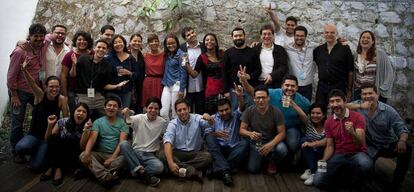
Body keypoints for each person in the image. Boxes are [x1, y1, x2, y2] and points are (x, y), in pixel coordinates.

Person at [347, 83, 411, 190]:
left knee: (407, 148)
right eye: (364, 94)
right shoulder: (358, 106)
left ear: (377, 94)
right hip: (369, 147)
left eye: (370, 93)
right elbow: (341, 106)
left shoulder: (388, 110)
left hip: (387, 144)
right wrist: (360, 106)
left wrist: (402, 141)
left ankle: (397, 182)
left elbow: (401, 126)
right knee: (362, 170)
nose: (367, 96)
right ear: (361, 96)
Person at [15, 57, 68, 171]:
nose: (54, 89)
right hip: (34, 134)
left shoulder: (62, 99)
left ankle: (39, 152)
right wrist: (24, 70)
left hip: (48, 137)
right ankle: (34, 148)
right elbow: (32, 83)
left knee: (36, 167)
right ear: (46, 87)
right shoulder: (40, 95)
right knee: (20, 147)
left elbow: (66, 118)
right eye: (51, 86)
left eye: (57, 87)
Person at [313, 89, 372, 190]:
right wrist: (323, 161)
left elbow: (360, 143)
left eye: (338, 100)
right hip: (339, 154)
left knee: (366, 164)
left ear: (345, 101)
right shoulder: (328, 121)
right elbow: (330, 146)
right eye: (332, 102)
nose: (335, 104)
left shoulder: (358, 117)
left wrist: (352, 132)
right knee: (318, 181)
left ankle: (359, 185)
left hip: (357, 153)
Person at [7, 24, 48, 162]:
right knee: (17, 121)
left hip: (36, 91)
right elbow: (11, 76)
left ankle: (32, 143)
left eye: (41, 36)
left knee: (40, 116)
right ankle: (16, 151)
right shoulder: (20, 51)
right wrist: (14, 95)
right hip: (20, 91)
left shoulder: (44, 44)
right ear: (29, 36)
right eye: (35, 36)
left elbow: (54, 36)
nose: (39, 39)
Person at [242, 73, 310, 157]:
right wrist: (244, 81)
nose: (289, 88)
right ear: (282, 86)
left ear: (297, 88)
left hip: (291, 127)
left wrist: (294, 105)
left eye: (293, 86)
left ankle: (292, 156)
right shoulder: (273, 93)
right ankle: (275, 157)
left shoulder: (303, 101)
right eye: (287, 85)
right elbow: (254, 93)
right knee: (280, 148)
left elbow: (306, 121)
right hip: (274, 127)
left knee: (293, 144)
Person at [71, 40, 128, 121]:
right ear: (94, 48)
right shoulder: (83, 59)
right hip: (83, 95)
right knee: (82, 117)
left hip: (98, 96)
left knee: (109, 116)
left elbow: (105, 86)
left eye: (104, 48)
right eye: (99, 47)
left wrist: (117, 86)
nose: (101, 49)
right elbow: (73, 75)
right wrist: (74, 65)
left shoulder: (107, 65)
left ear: (107, 51)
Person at [80, 97, 129, 187]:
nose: (111, 108)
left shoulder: (123, 123)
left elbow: (121, 142)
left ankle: (96, 171)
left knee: (126, 158)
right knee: (83, 155)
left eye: (114, 106)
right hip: (99, 154)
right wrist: (87, 153)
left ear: (118, 109)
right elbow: (92, 139)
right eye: (109, 105)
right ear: (104, 107)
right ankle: (106, 176)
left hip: (115, 155)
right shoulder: (98, 122)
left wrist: (112, 158)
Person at [205, 85, 248, 186]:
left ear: (231, 108)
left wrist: (240, 96)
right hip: (219, 150)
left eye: (226, 109)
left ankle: (219, 168)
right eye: (221, 111)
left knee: (245, 143)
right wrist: (215, 133)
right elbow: (206, 134)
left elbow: (241, 107)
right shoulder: (213, 118)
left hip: (234, 151)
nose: (224, 113)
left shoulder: (236, 115)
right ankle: (225, 171)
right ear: (217, 111)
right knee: (210, 137)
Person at [239, 85, 288, 174]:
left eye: (263, 97)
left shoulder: (276, 111)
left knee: (282, 149)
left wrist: (271, 144)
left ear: (268, 98)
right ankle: (261, 158)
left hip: (272, 141)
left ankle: (272, 161)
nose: (261, 100)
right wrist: (250, 134)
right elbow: (241, 130)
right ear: (254, 98)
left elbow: (282, 133)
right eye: (258, 98)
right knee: (253, 169)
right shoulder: (249, 111)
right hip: (257, 143)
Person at [160, 98, 213, 180]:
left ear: (189, 109)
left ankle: (179, 169)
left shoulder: (197, 118)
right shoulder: (173, 123)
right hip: (178, 153)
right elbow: (167, 141)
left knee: (208, 157)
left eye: (184, 109)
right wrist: (170, 163)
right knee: (162, 154)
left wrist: (209, 119)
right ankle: (190, 170)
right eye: (179, 110)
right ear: (176, 112)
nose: (182, 112)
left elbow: (209, 124)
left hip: (195, 153)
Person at [120, 97, 167, 186]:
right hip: (136, 152)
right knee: (123, 144)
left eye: (156, 108)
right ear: (145, 108)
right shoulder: (139, 118)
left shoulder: (162, 122)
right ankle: (143, 174)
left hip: (150, 155)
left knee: (159, 167)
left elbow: (166, 137)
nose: (153, 110)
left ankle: (136, 170)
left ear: (159, 110)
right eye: (150, 108)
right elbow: (127, 120)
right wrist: (126, 113)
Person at [40, 103, 90, 186]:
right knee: (54, 138)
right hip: (60, 153)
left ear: (87, 115)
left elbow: (81, 147)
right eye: (78, 110)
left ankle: (54, 168)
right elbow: (48, 139)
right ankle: (57, 167)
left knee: (70, 142)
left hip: (73, 155)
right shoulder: (63, 121)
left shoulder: (88, 127)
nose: (81, 113)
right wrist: (50, 124)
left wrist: (85, 131)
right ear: (73, 112)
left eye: (84, 112)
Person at [313, 24, 354, 106]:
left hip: (339, 85)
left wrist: (349, 89)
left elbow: (350, 71)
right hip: (322, 86)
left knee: (338, 110)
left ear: (336, 34)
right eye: (326, 32)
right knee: (320, 109)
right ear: (323, 34)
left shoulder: (345, 49)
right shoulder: (318, 50)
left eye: (332, 32)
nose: (329, 35)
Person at [185, 33, 225, 115]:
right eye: (207, 40)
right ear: (204, 43)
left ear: (216, 43)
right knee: (212, 113)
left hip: (224, 88)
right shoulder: (202, 57)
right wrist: (186, 64)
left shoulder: (223, 54)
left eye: (212, 40)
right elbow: (194, 74)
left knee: (224, 111)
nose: (209, 41)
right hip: (211, 89)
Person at [223, 27, 261, 110]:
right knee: (236, 114)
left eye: (240, 35)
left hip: (250, 89)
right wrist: (226, 91)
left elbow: (259, 70)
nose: (238, 38)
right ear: (232, 38)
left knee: (251, 113)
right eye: (235, 36)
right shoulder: (227, 53)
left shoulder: (253, 52)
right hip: (234, 90)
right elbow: (224, 73)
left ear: (244, 36)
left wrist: (249, 76)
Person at [352, 30, 395, 103]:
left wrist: (381, 89)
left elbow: (390, 73)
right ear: (359, 40)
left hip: (375, 93)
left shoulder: (380, 54)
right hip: (359, 92)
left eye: (368, 38)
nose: (365, 39)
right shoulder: (356, 55)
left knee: (375, 113)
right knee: (359, 113)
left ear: (373, 42)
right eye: (363, 37)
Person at [292, 103, 327, 186]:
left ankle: (315, 172)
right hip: (310, 155)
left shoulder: (328, 124)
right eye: (313, 113)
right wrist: (291, 103)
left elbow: (329, 141)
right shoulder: (309, 123)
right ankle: (312, 171)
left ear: (324, 114)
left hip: (324, 156)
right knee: (304, 140)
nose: (315, 115)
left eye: (318, 113)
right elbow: (299, 111)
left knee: (320, 181)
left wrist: (314, 144)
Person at [61, 30, 94, 112]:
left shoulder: (93, 54)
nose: (82, 42)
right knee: (74, 112)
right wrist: (65, 95)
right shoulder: (70, 55)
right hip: (73, 90)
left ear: (88, 42)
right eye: (79, 40)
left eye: (84, 40)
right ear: (75, 41)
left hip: (88, 90)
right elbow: (63, 75)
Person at [285, 26, 317, 101]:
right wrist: (257, 43)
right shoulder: (287, 47)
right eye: (297, 35)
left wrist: (339, 41)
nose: (299, 38)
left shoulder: (313, 46)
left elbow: (327, 45)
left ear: (306, 36)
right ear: (294, 36)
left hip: (307, 85)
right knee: (289, 106)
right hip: (292, 85)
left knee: (306, 106)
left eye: (302, 36)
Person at [106, 34, 139, 108]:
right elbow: (105, 76)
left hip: (127, 91)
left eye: (120, 42)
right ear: (112, 45)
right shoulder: (108, 59)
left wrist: (129, 73)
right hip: (113, 90)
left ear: (124, 44)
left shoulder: (130, 58)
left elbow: (137, 75)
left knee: (124, 112)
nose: (118, 44)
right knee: (116, 112)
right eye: (115, 43)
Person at [253, 24, 289, 89]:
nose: (267, 36)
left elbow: (284, 67)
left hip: (274, 83)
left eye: (269, 34)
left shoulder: (280, 50)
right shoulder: (255, 49)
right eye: (264, 34)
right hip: (257, 83)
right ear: (261, 36)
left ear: (273, 35)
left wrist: (272, 76)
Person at [160, 34, 187, 120]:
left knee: (175, 113)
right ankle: (169, 130)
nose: (171, 45)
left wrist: (182, 89)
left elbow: (184, 73)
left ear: (177, 43)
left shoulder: (184, 55)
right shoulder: (167, 55)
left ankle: (176, 132)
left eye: (173, 43)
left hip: (178, 86)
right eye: (168, 44)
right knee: (163, 112)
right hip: (167, 85)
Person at [180, 27, 204, 114]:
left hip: (201, 83)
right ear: (185, 38)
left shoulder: (203, 46)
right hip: (188, 85)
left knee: (200, 111)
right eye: (188, 35)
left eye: (192, 32)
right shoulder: (182, 48)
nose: (191, 35)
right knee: (187, 111)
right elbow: (182, 66)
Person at [142, 34, 164, 108]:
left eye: (156, 41)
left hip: (160, 82)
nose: (154, 43)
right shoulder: (145, 56)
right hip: (148, 82)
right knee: (148, 104)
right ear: (148, 44)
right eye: (151, 41)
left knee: (160, 104)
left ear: (158, 42)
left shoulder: (164, 55)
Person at [129, 33, 146, 113]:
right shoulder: (125, 54)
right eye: (134, 41)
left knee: (138, 109)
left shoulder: (141, 56)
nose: (137, 43)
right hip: (129, 86)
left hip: (140, 86)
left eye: (139, 41)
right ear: (130, 42)